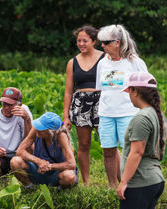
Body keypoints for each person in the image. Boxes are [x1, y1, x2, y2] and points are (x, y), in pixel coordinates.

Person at [96, 24, 148, 188]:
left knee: (129, 151)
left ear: (117, 42)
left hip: (128, 113)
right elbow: (100, 88)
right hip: (106, 113)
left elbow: (147, 87)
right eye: (101, 42)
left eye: (106, 42)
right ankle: (112, 186)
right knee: (108, 150)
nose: (102, 46)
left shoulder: (134, 62)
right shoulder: (102, 64)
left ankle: (131, 184)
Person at [63, 25, 105, 185]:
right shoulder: (72, 62)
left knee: (108, 143)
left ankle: (118, 181)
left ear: (94, 41)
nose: (81, 44)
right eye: (78, 40)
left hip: (101, 102)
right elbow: (68, 91)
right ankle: (86, 182)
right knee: (84, 144)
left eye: (85, 41)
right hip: (80, 104)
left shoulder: (105, 58)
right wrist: (65, 115)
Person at [117, 72, 165, 209]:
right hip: (154, 180)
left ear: (135, 91)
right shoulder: (158, 114)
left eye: (129, 91)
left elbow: (137, 152)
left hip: (140, 184)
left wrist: (123, 181)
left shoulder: (142, 118)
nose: (129, 96)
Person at [11, 112, 77, 189]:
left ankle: (60, 190)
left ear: (53, 131)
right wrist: (39, 161)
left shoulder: (61, 136)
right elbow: (20, 151)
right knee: (15, 161)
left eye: (42, 129)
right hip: (38, 168)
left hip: (57, 171)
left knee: (69, 176)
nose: (38, 130)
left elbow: (71, 164)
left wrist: (49, 166)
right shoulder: (36, 129)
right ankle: (29, 187)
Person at [0, 87, 33, 177]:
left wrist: (27, 119)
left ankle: (27, 182)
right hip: (2, 158)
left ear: (19, 105)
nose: (6, 108)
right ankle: (1, 177)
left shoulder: (24, 112)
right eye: (4, 104)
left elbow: (30, 140)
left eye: (10, 105)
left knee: (31, 147)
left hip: (20, 155)